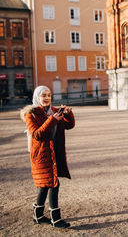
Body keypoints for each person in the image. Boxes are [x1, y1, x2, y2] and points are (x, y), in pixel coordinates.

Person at [20, 85, 75, 228]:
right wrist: (52, 120)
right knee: (53, 183)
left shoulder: (55, 111)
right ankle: (55, 219)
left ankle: (37, 215)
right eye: (43, 95)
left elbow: (69, 126)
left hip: (55, 151)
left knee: (45, 185)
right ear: (37, 97)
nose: (46, 98)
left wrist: (68, 114)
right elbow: (37, 134)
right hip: (41, 155)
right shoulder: (31, 114)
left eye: (48, 95)